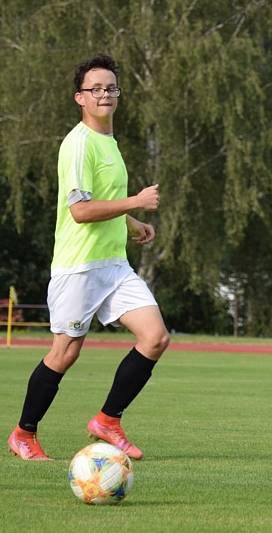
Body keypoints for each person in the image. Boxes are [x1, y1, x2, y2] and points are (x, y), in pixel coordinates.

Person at [7, 54, 170, 461]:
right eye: (95, 89)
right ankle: (23, 434)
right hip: (78, 267)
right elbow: (80, 211)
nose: (104, 94)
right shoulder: (78, 143)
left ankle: (107, 421)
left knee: (155, 338)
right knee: (66, 352)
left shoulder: (109, 142)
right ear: (79, 97)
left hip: (113, 265)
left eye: (111, 88)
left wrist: (131, 222)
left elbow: (101, 202)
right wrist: (136, 201)